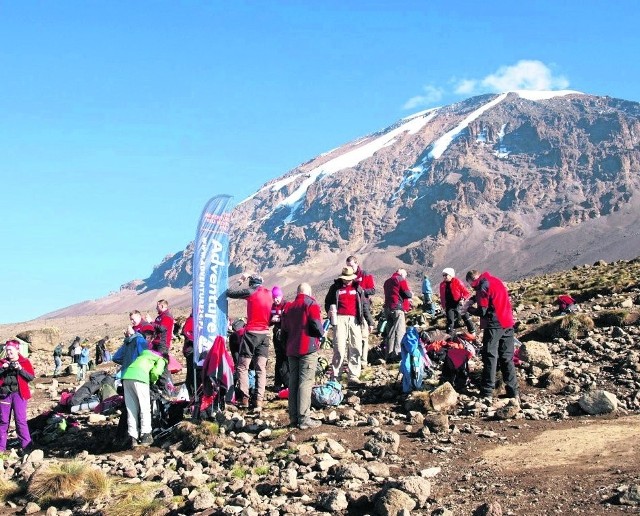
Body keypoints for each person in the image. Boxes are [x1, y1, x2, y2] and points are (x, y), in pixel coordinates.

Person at [465, 269, 519, 402]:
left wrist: (468, 309)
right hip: (508, 322)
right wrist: (473, 299)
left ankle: (487, 391)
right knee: (507, 357)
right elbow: (490, 295)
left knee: (490, 355)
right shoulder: (494, 280)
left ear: (472, 281)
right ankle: (513, 391)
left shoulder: (482, 286)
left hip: (494, 324)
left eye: (470, 284)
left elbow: (483, 310)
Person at [226, 274, 273, 411]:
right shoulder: (269, 293)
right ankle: (259, 400)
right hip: (265, 334)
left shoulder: (251, 292)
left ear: (251, 283)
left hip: (251, 333)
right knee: (261, 368)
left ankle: (245, 398)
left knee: (242, 366)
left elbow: (230, 292)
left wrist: (241, 279)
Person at [282, 283, 324, 429]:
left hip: (291, 349)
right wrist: (321, 334)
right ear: (309, 291)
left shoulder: (289, 307)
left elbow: (284, 329)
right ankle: (304, 418)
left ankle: (294, 417)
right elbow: (316, 324)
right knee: (305, 382)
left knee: (293, 382)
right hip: (307, 348)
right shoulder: (311, 304)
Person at [324, 266, 365, 385]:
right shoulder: (335, 288)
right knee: (339, 348)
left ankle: (353, 376)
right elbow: (328, 302)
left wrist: (368, 320)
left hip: (354, 320)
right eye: (345, 278)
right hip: (340, 319)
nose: (347, 281)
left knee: (355, 347)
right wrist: (329, 312)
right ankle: (336, 376)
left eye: (349, 278)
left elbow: (363, 305)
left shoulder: (357, 288)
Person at [121, 345, 167, 448]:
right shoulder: (161, 359)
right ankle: (146, 435)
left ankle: (132, 436)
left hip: (127, 377)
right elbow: (155, 372)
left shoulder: (144, 354)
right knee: (144, 407)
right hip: (140, 378)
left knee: (131, 408)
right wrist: (152, 381)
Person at [0, 340, 35, 455]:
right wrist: (3, 368)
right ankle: (1, 448)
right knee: (3, 421)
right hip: (4, 395)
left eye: (11, 350)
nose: (8, 352)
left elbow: (30, 377)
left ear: (17, 350)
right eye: (7, 350)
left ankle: (26, 446)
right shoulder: (2, 362)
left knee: (20, 420)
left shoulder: (24, 362)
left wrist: (20, 369)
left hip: (19, 395)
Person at [346, 255, 376, 366]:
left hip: (363, 308)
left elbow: (372, 290)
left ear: (356, 264)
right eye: (348, 266)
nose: (349, 268)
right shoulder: (346, 277)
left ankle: (363, 361)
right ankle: (351, 361)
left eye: (351, 266)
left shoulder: (364, 274)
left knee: (363, 336)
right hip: (350, 310)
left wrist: (361, 291)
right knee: (351, 338)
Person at [383, 268, 413, 362]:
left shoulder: (387, 281)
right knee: (400, 331)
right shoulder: (400, 279)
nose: (405, 277)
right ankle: (398, 354)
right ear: (402, 274)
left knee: (390, 332)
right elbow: (407, 294)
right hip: (397, 308)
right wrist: (410, 294)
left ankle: (389, 354)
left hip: (387, 308)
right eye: (405, 275)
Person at [439, 268, 476, 336]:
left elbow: (466, 293)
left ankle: (472, 332)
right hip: (449, 306)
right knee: (450, 322)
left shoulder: (457, 282)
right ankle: (448, 337)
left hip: (458, 304)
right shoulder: (442, 285)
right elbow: (442, 297)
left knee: (466, 318)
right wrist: (443, 306)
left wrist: (463, 299)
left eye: (446, 275)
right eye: (443, 275)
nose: (444, 277)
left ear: (451, 275)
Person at [270, 286, 289, 391]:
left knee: (286, 359)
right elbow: (268, 321)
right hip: (276, 336)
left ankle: (287, 383)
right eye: (274, 298)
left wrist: (280, 318)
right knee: (279, 359)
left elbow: (290, 317)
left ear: (281, 296)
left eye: (277, 297)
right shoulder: (272, 307)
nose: (275, 300)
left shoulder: (286, 305)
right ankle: (277, 383)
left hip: (286, 336)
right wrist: (272, 320)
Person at [181, 312, 197, 398]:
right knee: (191, 372)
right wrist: (194, 339)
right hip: (190, 349)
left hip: (198, 349)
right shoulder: (191, 320)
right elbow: (185, 331)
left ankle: (194, 391)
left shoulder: (200, 319)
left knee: (196, 372)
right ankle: (189, 393)